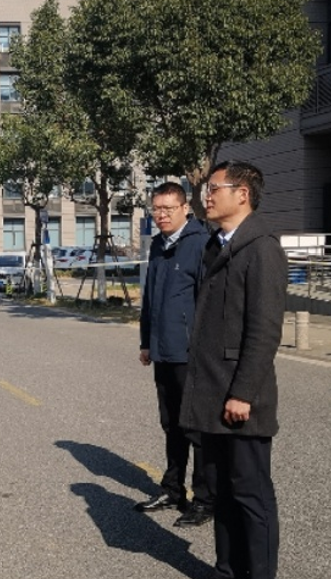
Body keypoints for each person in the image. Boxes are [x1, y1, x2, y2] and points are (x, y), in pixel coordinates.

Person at [181, 161, 286, 579]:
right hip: (212, 393)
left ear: (242, 194)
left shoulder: (262, 249)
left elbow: (264, 331)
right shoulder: (217, 244)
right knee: (222, 493)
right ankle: (227, 571)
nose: (206, 196)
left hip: (241, 399)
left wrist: (243, 393)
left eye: (214, 188)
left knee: (250, 495)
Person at [136, 182, 215, 527]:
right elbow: (150, 299)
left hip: (190, 354)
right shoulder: (158, 245)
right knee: (171, 425)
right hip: (163, 350)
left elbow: (209, 303)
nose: (161, 214)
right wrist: (146, 341)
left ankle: (205, 499)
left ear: (185, 209)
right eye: (156, 208)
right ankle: (172, 489)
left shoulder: (201, 244)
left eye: (168, 208)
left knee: (195, 427)